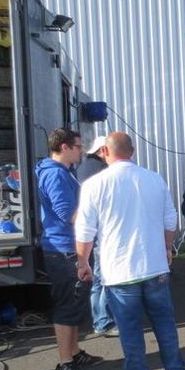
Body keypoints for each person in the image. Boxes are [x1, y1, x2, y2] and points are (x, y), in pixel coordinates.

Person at [75, 132, 185, 370]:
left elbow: (84, 230)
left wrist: (83, 262)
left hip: (120, 270)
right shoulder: (154, 179)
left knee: (130, 328)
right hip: (156, 266)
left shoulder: (95, 184)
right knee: (165, 322)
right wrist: (168, 248)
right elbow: (170, 219)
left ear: (104, 151)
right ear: (132, 150)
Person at [36, 128, 102, 370]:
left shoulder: (64, 172)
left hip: (68, 246)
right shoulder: (55, 175)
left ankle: (74, 352)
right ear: (64, 148)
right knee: (68, 303)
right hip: (64, 249)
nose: (81, 150)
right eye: (77, 146)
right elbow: (67, 214)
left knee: (76, 302)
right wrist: (96, 219)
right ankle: (65, 363)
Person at [76, 135, 117, 337]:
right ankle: (104, 322)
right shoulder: (101, 170)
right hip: (102, 232)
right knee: (106, 278)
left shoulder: (84, 167)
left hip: (90, 231)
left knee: (97, 281)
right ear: (103, 151)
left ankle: (98, 319)